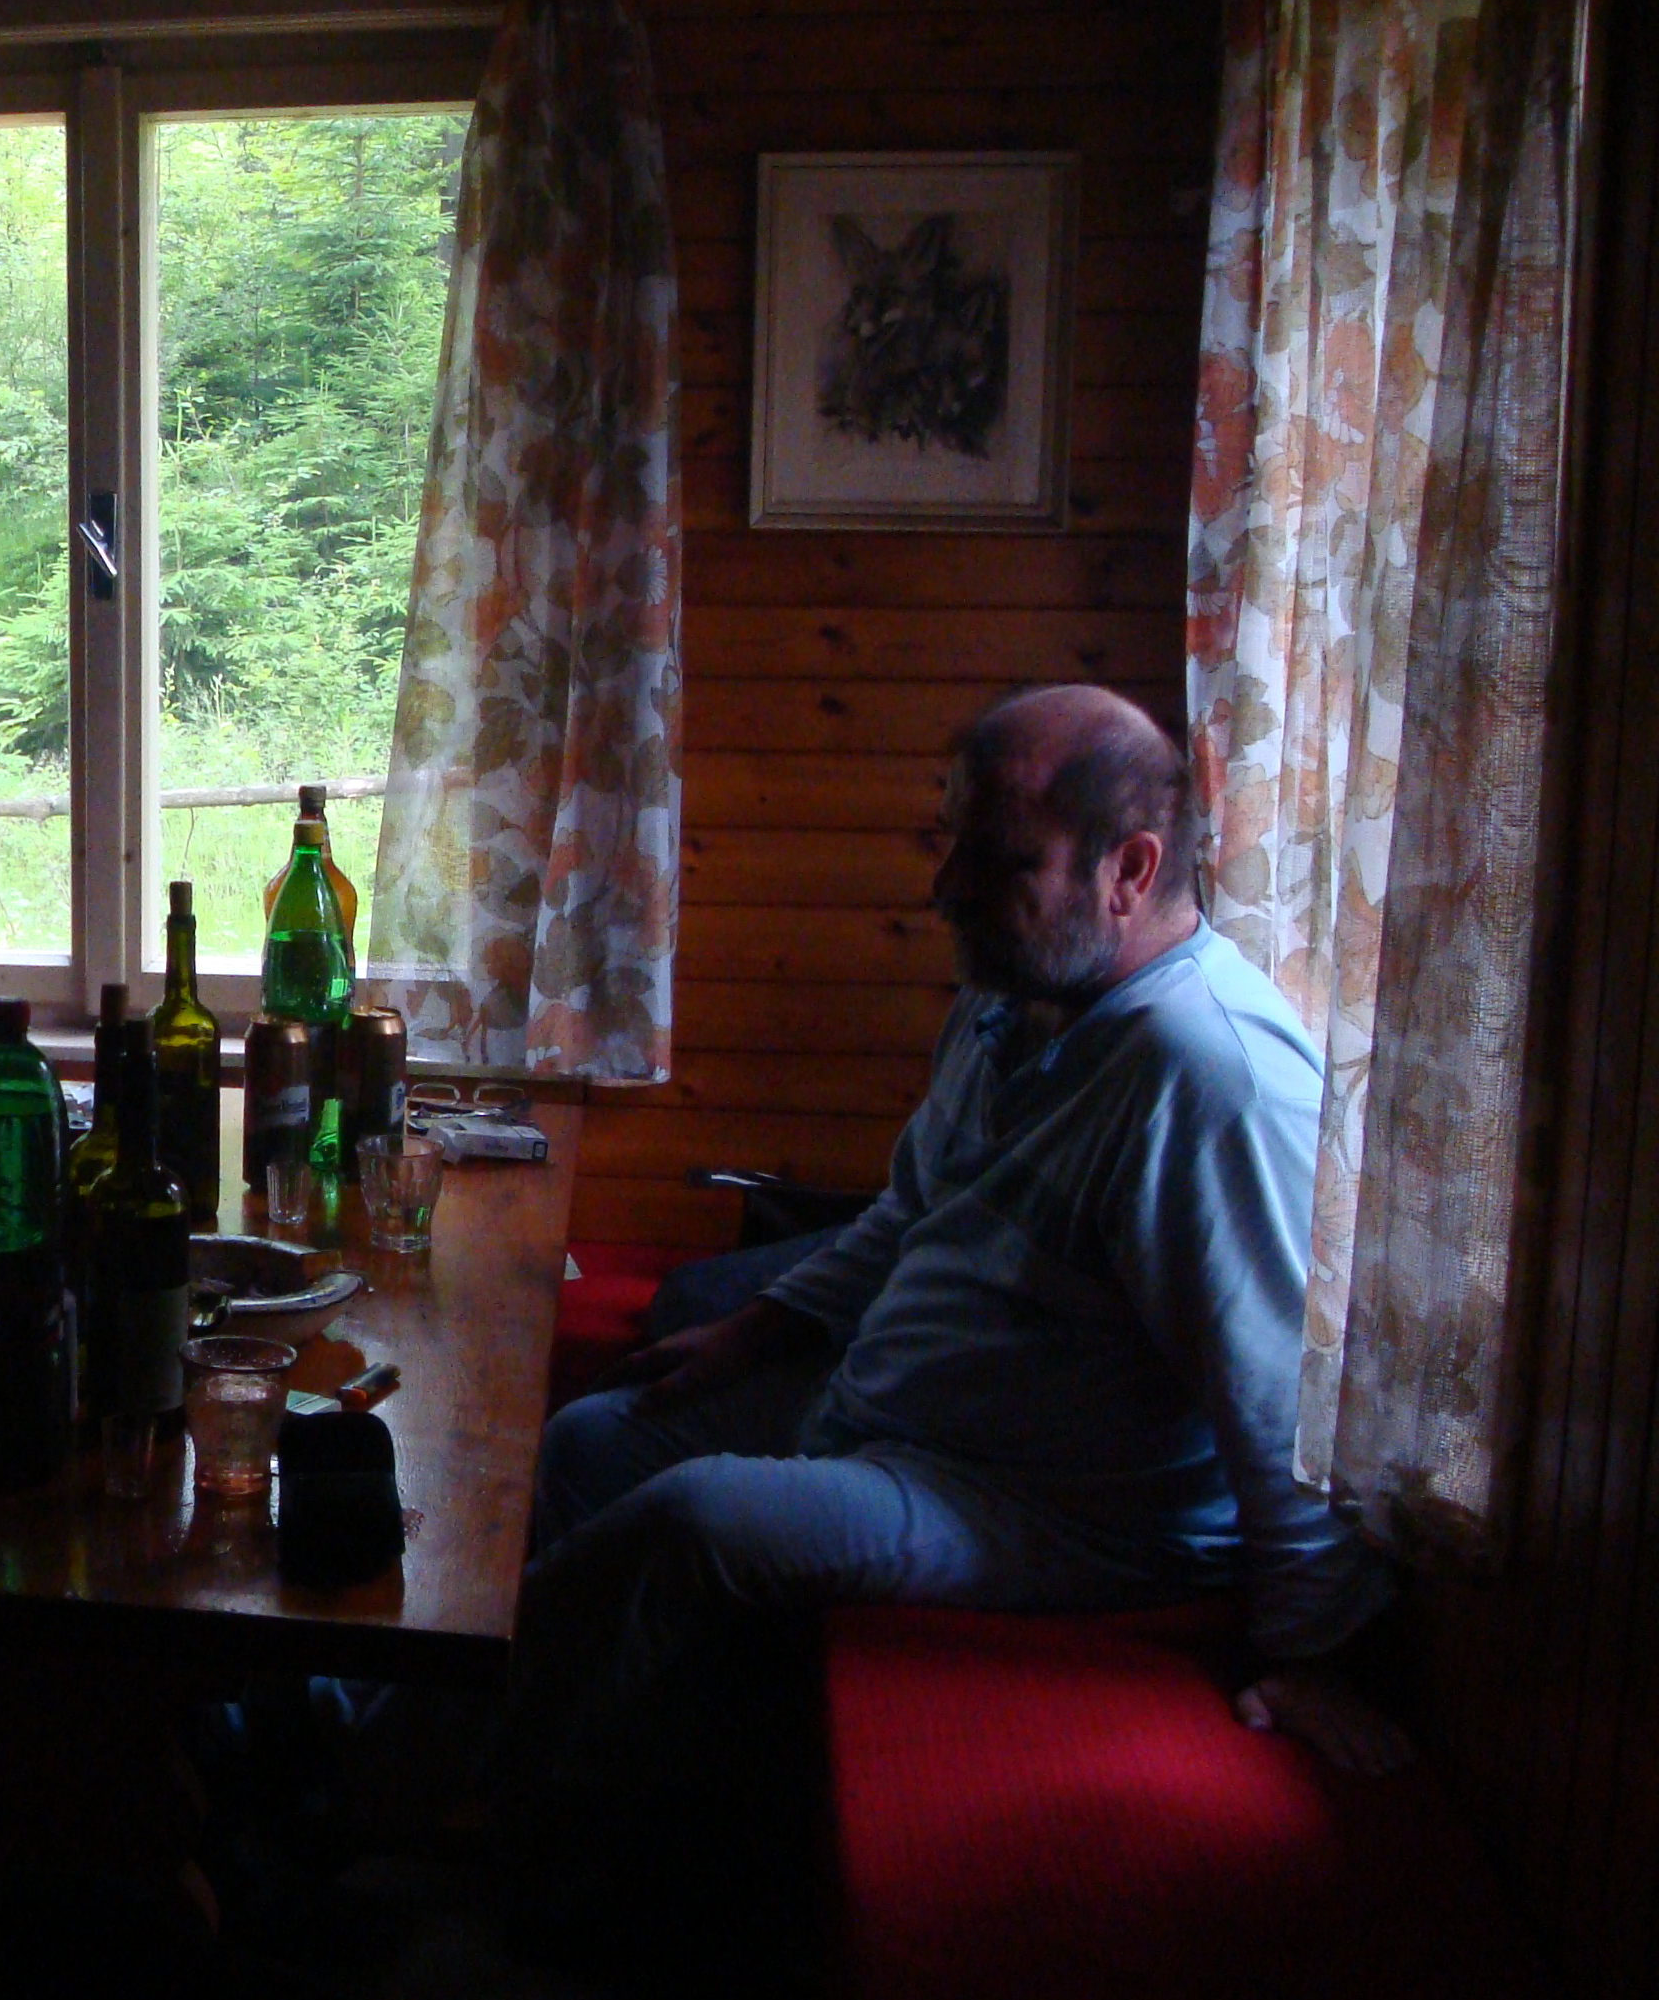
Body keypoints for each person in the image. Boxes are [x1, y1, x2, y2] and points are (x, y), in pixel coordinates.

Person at [502, 684, 1410, 1811]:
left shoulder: (1209, 1081)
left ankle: (437, 1771)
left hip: (1046, 1510)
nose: (945, 891)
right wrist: (756, 1329)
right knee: (595, 1439)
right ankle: (538, 1772)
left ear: (1129, 871)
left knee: (697, 1521)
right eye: (953, 848)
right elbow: (907, 1211)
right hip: (896, 1418)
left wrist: (1314, 1652)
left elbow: (1280, 1400)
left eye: (998, 861)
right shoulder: (1013, 1002)